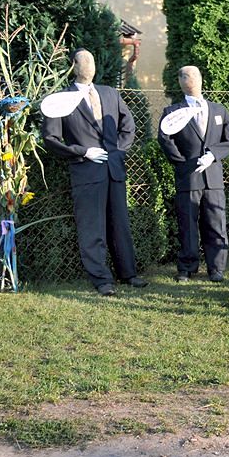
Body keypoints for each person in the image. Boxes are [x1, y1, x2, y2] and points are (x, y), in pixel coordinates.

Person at [41, 48, 146, 296]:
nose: (89, 65)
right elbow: (51, 138)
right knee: (92, 226)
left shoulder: (110, 93)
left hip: (114, 169)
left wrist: (117, 150)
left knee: (120, 224)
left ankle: (128, 273)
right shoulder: (60, 100)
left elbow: (127, 125)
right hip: (86, 171)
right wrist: (82, 151)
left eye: (91, 60)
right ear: (72, 66)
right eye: (82, 60)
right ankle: (101, 279)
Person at [158, 66, 229, 282]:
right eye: (183, 75)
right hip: (188, 177)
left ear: (201, 79)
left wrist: (213, 155)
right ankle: (186, 267)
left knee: (216, 222)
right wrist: (182, 163)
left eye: (191, 75)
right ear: (180, 81)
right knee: (187, 224)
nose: (187, 79)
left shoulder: (219, 110)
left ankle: (216, 268)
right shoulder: (172, 113)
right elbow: (165, 139)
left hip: (213, 178)